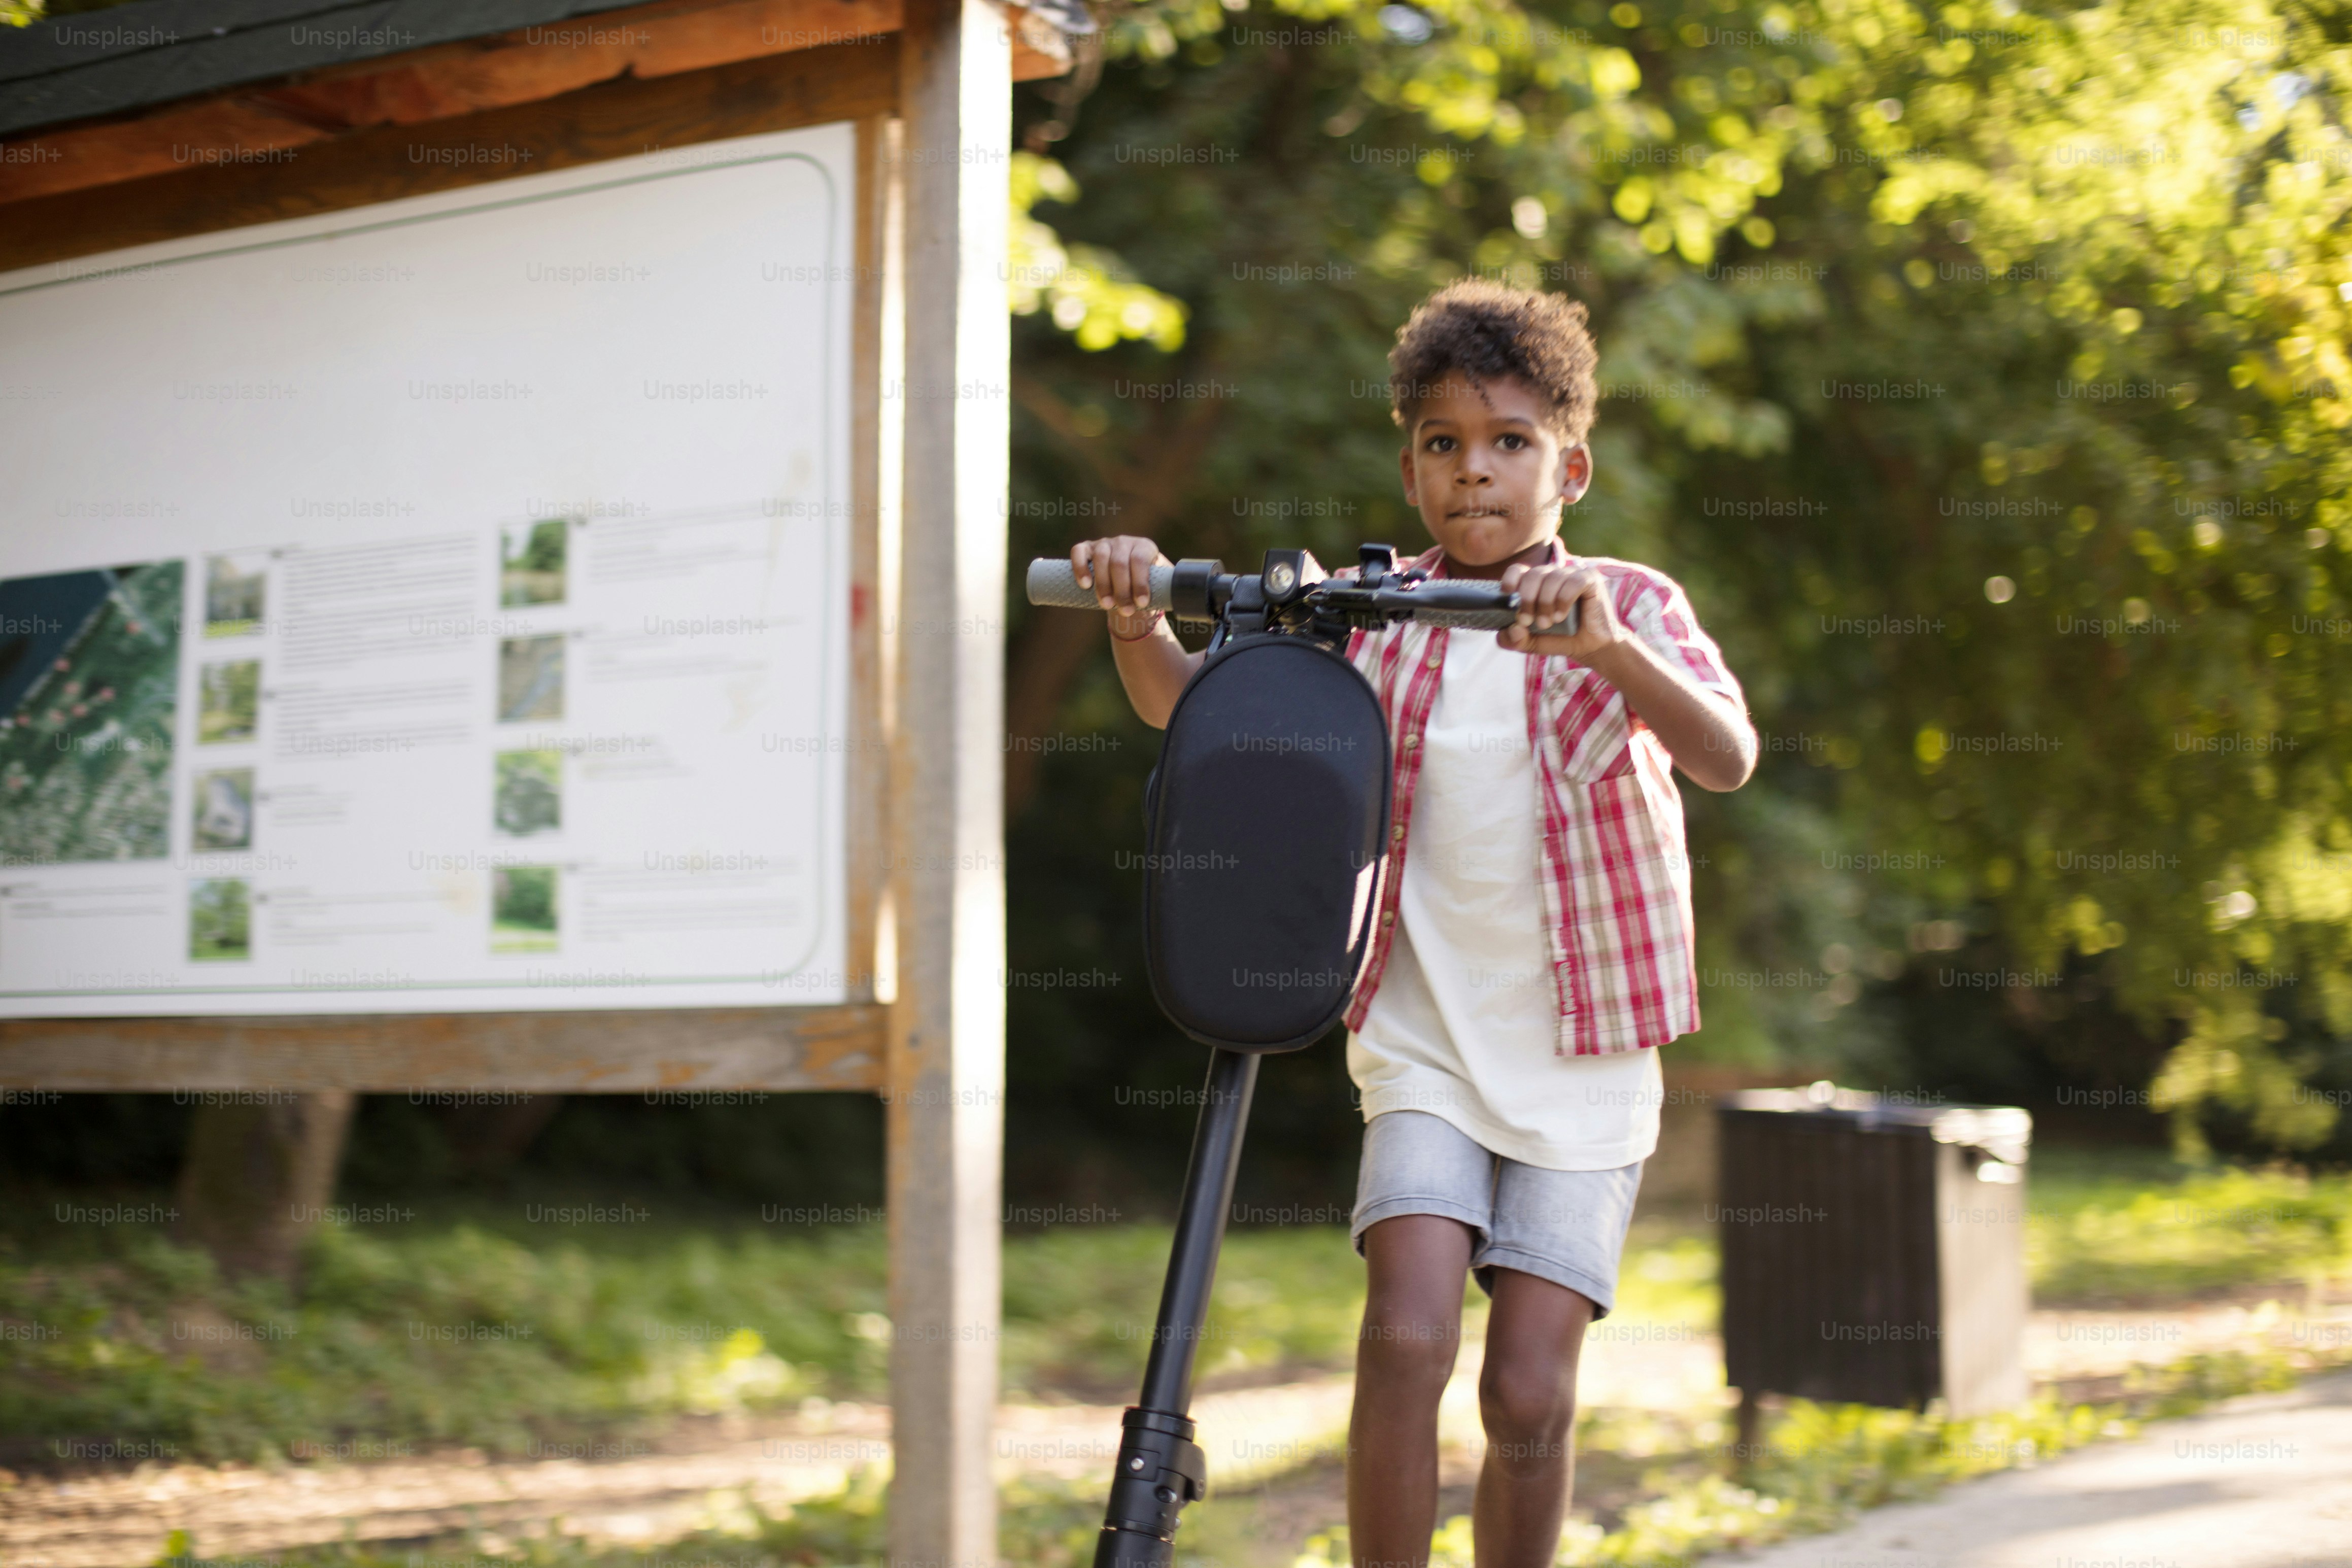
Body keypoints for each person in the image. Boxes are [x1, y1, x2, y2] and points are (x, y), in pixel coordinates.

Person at [1068, 278, 1755, 1566]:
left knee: (1528, 1399)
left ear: (1571, 466)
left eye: (1508, 443)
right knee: (1404, 1339)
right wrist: (1135, 613)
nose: (1474, 473)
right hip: (1423, 1046)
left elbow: (1722, 755)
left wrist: (1606, 651)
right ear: (1409, 469)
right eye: (1443, 446)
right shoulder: (1369, 617)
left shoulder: (1627, 605)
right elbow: (1193, 712)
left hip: (1584, 1058)